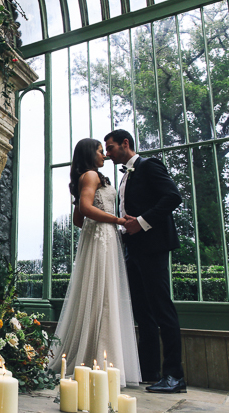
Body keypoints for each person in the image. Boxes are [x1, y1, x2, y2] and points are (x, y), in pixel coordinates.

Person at [50, 138, 141, 387]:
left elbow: (79, 219)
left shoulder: (87, 177)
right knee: (104, 294)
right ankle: (103, 360)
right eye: (101, 151)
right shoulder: (91, 175)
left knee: (100, 292)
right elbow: (87, 208)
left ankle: (95, 355)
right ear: (91, 154)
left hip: (98, 238)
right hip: (103, 239)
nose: (104, 155)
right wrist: (118, 221)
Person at [104, 129, 186, 393]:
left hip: (153, 248)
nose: (107, 154)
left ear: (125, 144)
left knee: (162, 309)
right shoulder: (125, 176)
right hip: (134, 250)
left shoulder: (149, 165)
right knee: (143, 312)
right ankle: (149, 371)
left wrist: (140, 223)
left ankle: (175, 376)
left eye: (111, 147)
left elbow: (173, 196)